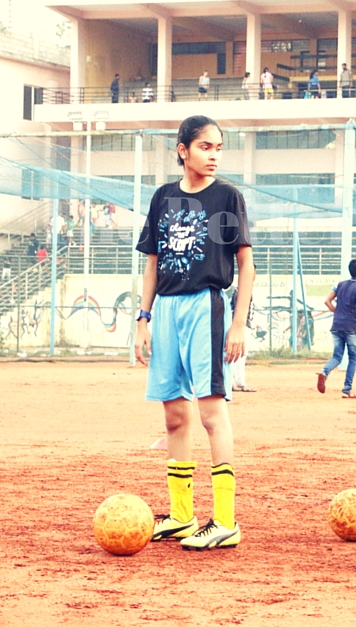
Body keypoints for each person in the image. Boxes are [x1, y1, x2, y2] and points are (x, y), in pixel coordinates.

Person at [136, 115, 254, 551]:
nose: (214, 155)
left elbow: (246, 265)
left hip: (206, 306)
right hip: (165, 309)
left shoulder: (226, 197)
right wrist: (143, 319)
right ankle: (182, 515)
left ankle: (224, 520)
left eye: (219, 147)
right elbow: (151, 262)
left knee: (210, 413)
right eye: (205, 147)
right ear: (182, 149)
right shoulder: (163, 198)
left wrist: (238, 322)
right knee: (173, 415)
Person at [317, 259, 356, 398]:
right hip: (350, 326)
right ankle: (347, 389)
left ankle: (325, 371)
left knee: (337, 356)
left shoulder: (339, 284)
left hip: (336, 325)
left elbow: (327, 301)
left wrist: (336, 311)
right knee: (352, 358)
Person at [229, 282, 256, 393]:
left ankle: (232, 383)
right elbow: (237, 310)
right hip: (241, 326)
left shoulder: (240, 291)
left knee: (236, 355)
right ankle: (240, 384)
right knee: (240, 355)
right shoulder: (241, 291)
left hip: (241, 325)